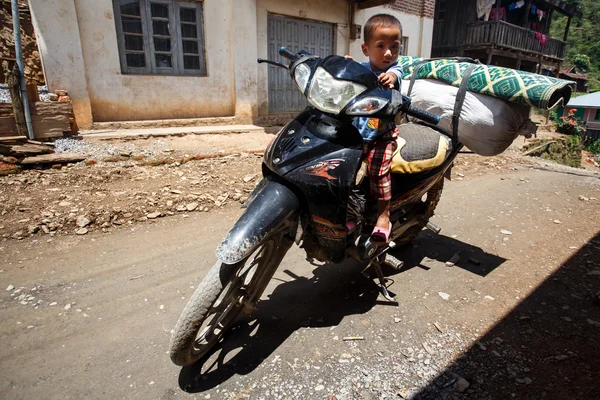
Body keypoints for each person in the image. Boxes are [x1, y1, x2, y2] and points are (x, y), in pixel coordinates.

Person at [351, 14, 403, 245]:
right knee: (341, 166)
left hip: (382, 134)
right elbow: (346, 73)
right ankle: (348, 210)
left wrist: (391, 77)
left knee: (378, 170)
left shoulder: (395, 70)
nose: (388, 53)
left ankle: (384, 215)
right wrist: (343, 63)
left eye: (394, 46)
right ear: (365, 48)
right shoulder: (360, 69)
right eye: (380, 46)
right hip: (355, 132)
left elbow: (396, 74)